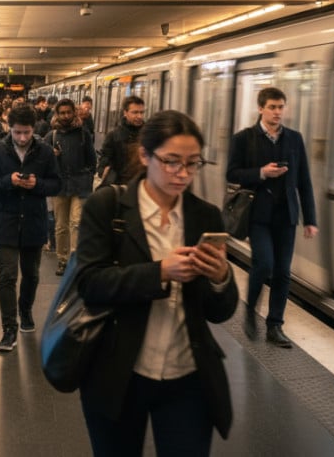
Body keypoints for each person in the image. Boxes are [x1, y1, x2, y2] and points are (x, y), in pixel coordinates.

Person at [76, 110, 237, 456]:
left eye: (193, 164)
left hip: (187, 376)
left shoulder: (205, 216)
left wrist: (221, 278)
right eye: (171, 162)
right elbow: (90, 283)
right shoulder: (108, 207)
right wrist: (159, 272)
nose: (183, 174)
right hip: (119, 373)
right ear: (145, 155)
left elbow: (220, 311)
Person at [225, 86, 318, 348]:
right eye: (273, 107)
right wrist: (261, 173)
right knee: (264, 264)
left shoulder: (294, 139)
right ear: (261, 109)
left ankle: (275, 325)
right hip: (258, 215)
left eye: (281, 107)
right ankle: (251, 311)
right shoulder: (244, 138)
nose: (278, 112)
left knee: (282, 272)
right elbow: (231, 174)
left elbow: (304, 181)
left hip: (286, 215)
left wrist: (311, 219)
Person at [0, 105, 60, 352]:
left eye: (26, 133)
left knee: (32, 274)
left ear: (33, 130)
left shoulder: (45, 152)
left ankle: (25, 310)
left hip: (34, 222)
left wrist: (37, 185)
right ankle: (8, 329)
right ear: (9, 129)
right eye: (17, 133)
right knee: (7, 276)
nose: (22, 138)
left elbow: (56, 184)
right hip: (5, 221)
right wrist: (8, 181)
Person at [46, 98, 96, 276]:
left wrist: (88, 176)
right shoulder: (52, 135)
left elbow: (92, 160)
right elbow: (42, 158)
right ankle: (62, 259)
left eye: (68, 112)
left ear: (73, 113)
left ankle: (74, 259)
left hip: (80, 185)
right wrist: (53, 156)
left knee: (76, 222)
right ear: (57, 114)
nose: (66, 116)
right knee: (61, 225)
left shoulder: (83, 133)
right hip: (60, 185)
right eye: (62, 113)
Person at [98, 95, 145, 185]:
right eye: (135, 112)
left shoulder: (149, 135)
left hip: (142, 185)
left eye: (141, 112)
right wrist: (104, 171)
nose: (139, 116)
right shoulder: (114, 136)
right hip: (121, 185)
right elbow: (104, 161)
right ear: (125, 112)